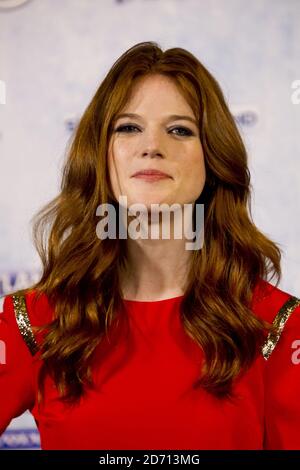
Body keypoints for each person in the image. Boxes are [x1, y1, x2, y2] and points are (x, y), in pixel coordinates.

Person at [0, 41, 300, 450]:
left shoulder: (275, 325)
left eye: (180, 129)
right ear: (98, 155)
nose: (152, 146)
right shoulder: (34, 323)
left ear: (213, 159)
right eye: (128, 127)